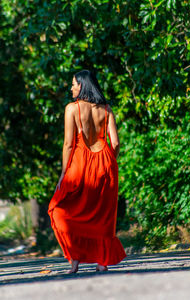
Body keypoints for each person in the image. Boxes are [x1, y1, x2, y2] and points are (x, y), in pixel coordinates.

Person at [48, 70, 126, 274]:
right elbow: (115, 142)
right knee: (103, 215)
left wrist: (63, 173)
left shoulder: (72, 109)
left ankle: (75, 260)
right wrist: (109, 163)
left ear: (81, 85)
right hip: (105, 163)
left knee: (59, 209)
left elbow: (68, 144)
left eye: (73, 84)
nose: (71, 87)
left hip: (80, 165)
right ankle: (102, 262)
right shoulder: (106, 109)